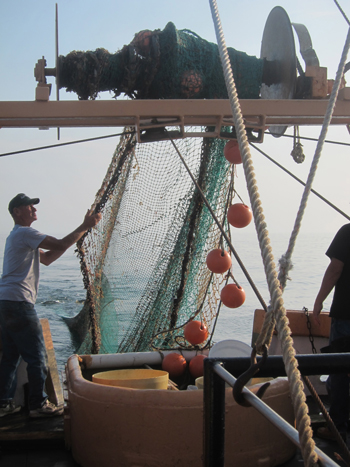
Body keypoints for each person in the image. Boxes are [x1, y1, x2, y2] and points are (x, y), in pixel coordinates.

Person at [0, 193, 101, 418]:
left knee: (10, 357)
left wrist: (81, 232)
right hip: (19, 304)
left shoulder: (16, 236)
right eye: (29, 207)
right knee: (37, 356)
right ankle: (38, 404)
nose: (35, 210)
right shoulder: (26, 233)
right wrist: (84, 225)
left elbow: (48, 258)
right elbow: (61, 243)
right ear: (16, 212)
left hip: (5, 303)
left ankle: (4, 403)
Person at [313, 224, 350, 443]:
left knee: (340, 371)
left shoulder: (347, 232)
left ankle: (337, 427)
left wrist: (319, 300)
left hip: (346, 316)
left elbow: (335, 270)